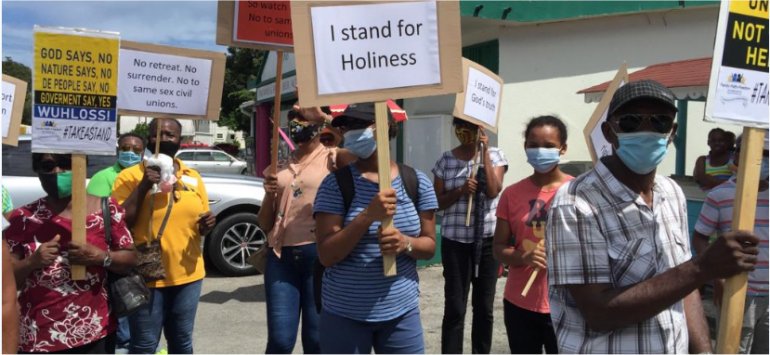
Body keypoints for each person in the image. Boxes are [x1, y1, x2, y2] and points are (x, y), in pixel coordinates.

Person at [546, 79, 759, 353]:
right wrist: (701, 268)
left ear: (672, 132)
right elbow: (598, 313)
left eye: (659, 122)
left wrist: (704, 350)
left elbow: (685, 288)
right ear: (609, 132)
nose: (646, 131)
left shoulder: (672, 193)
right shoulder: (575, 202)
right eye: (632, 122)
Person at [313, 103, 439, 353]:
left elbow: (429, 246)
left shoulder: (416, 182)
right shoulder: (335, 185)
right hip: (343, 314)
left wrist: (406, 243)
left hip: (401, 313)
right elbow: (327, 255)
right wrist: (368, 216)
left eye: (358, 126)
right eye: (347, 127)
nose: (350, 133)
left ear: (385, 128)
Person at [4, 153, 137, 353]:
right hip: (39, 336)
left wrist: (100, 257)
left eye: (66, 164)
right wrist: (32, 262)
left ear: (81, 166)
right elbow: (6, 277)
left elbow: (130, 258)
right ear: (37, 170)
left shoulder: (106, 209)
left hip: (94, 331)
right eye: (48, 166)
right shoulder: (23, 218)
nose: (57, 172)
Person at [112, 118, 216, 354]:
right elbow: (119, 222)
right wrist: (143, 186)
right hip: (147, 274)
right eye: (158, 134)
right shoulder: (129, 177)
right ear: (149, 138)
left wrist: (208, 223)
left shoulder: (192, 176)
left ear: (180, 140)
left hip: (188, 274)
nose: (165, 138)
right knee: (145, 343)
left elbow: (199, 220)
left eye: (171, 134)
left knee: (181, 340)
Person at [256, 107, 355, 354]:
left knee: (316, 340)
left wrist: (324, 117)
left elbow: (362, 155)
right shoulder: (277, 168)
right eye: (292, 121)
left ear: (318, 127)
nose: (296, 124)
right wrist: (270, 195)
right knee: (279, 341)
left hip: (318, 258)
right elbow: (264, 223)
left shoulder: (333, 158)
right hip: (280, 258)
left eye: (302, 119)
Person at [493, 115, 572, 354]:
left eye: (548, 146)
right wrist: (524, 257)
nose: (540, 151)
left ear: (563, 148)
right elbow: (498, 248)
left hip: (568, 304)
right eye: (533, 145)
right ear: (525, 147)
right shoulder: (511, 194)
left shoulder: (579, 191)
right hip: (520, 303)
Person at [432, 118, 507, 353]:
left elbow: (494, 190)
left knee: (484, 307)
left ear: (480, 130)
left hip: (486, 241)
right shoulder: (446, 159)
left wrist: (484, 152)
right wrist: (461, 191)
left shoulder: (496, 156)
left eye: (471, 128)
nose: (465, 132)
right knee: (455, 306)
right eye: (460, 126)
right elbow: (437, 202)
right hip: (456, 242)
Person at [693, 134, 769, 354]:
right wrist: (715, 275)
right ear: (737, 155)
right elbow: (699, 237)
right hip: (736, 292)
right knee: (733, 349)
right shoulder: (720, 195)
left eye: (767, 154)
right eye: (757, 153)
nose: (761, 159)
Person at [87, 133, 146, 198]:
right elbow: (95, 206)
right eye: (125, 148)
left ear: (143, 153)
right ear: (118, 150)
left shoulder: (149, 176)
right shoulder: (103, 177)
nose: (130, 153)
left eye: (136, 149)